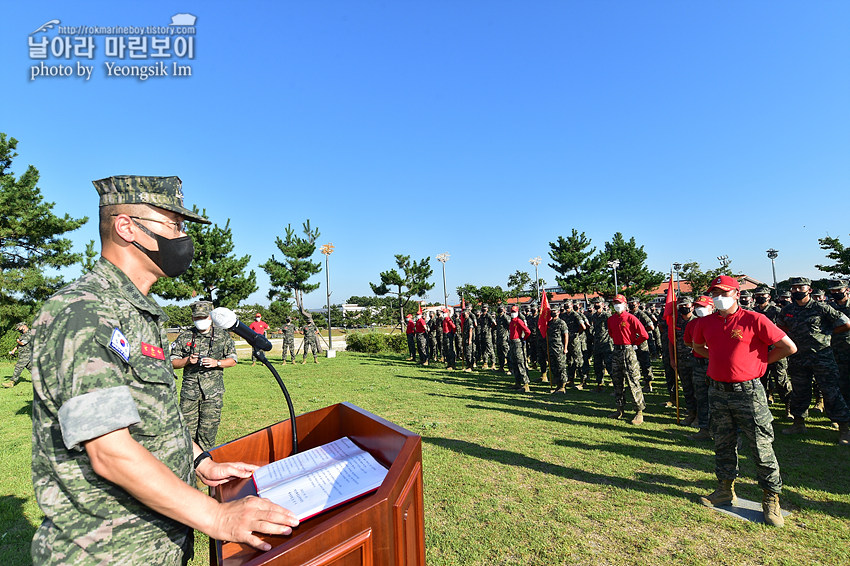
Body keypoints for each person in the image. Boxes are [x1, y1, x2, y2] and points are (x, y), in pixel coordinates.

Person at [29, 176, 298, 565]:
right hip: (106, 551)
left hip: (157, 543)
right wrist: (216, 516)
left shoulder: (139, 313)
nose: (183, 237)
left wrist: (199, 461)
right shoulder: (85, 313)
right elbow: (109, 451)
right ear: (126, 227)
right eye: (174, 225)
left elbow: (154, 417)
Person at [692, 275, 797, 527]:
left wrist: (759, 363)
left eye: (724, 292)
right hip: (717, 391)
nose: (718, 297)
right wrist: (717, 357)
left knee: (760, 446)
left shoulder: (754, 319)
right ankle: (724, 489)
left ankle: (771, 498)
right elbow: (697, 347)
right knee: (723, 442)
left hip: (748, 392)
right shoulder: (705, 323)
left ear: (737, 294)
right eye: (714, 293)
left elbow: (788, 347)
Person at [778, 277, 850, 444]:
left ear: (809, 289)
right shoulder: (787, 310)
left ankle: (844, 429)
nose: (796, 291)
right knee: (800, 391)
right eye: (793, 288)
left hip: (821, 357)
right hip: (798, 358)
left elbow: (845, 323)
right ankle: (799, 423)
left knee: (831, 392)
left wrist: (827, 334)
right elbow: (781, 327)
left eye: (800, 288)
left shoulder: (821, 308)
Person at [171, 301, 238, 450]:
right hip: (190, 393)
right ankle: (189, 468)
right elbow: (172, 362)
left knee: (208, 433)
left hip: (213, 393)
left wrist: (217, 363)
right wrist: (187, 360)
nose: (200, 320)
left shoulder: (222, 336)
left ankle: (205, 467)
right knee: (186, 433)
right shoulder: (185, 336)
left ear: (210, 317)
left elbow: (233, 360)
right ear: (193, 318)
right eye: (197, 318)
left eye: (203, 317)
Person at [606, 295, 648, 425]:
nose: (617, 305)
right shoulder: (611, 319)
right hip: (616, 350)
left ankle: (639, 411)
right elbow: (611, 334)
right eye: (615, 303)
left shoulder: (631, 318)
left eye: (619, 303)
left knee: (633, 381)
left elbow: (644, 335)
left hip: (628, 351)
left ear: (625, 305)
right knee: (617, 380)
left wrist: (634, 344)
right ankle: (619, 409)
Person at [683, 295, 713, 440]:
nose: (700, 309)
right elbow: (688, 342)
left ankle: (723, 431)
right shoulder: (692, 324)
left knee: (719, 398)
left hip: (716, 364)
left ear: (712, 307)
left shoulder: (718, 322)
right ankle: (704, 429)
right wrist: (700, 348)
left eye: (703, 306)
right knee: (701, 397)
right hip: (699, 364)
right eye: (698, 307)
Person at [828, 279, 850, 405]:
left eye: (838, 289)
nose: (836, 292)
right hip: (836, 349)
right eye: (833, 290)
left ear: (846, 290)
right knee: (841, 381)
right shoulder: (829, 308)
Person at [589, 298, 613, 391]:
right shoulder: (594, 316)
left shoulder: (607, 315)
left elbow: (611, 328)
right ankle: (600, 385)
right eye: (595, 303)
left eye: (598, 303)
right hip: (597, 344)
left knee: (609, 365)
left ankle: (616, 386)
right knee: (597, 366)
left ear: (602, 305)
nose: (596, 305)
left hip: (606, 344)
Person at [508, 306, 532, 392]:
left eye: (514, 311)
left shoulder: (519, 321)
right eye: (512, 311)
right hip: (512, 343)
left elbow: (528, 331)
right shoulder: (511, 322)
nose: (513, 313)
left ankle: (526, 384)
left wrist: (524, 339)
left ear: (518, 312)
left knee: (520, 362)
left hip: (518, 343)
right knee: (514, 363)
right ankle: (517, 383)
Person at [4, 322, 34, 387]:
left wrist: (18, 341)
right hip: (24, 354)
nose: (18, 330)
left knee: (18, 367)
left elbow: (23, 343)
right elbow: (19, 345)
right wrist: (13, 350)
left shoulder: (29, 334)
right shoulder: (24, 334)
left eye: (19, 328)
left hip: (26, 354)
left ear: (23, 326)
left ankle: (12, 382)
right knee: (31, 368)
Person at [547, 306, 569, 394]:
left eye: (555, 311)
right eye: (552, 311)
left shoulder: (561, 323)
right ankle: (557, 385)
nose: (553, 312)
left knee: (561, 367)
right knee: (553, 367)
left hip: (559, 348)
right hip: (551, 348)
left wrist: (566, 348)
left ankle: (563, 386)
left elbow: (566, 335)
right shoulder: (549, 323)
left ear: (558, 312)